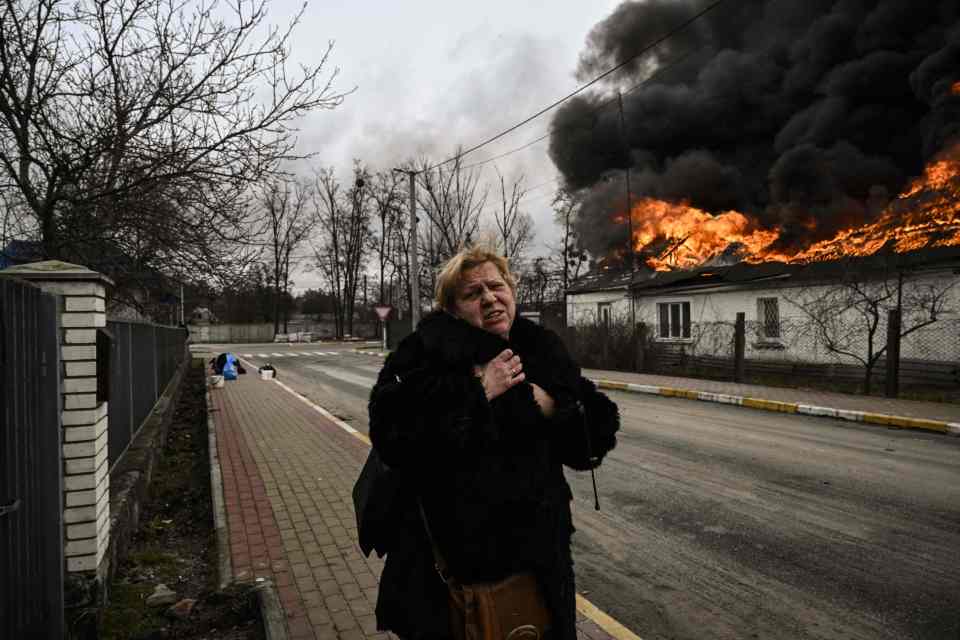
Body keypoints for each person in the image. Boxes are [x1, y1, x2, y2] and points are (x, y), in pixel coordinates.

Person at [368, 246, 620, 640]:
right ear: (453, 308)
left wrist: (555, 405)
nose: (489, 298)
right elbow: (391, 435)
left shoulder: (541, 349)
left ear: (511, 290)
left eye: (496, 286)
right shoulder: (423, 353)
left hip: (541, 567)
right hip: (453, 573)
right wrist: (478, 392)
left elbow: (599, 431)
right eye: (473, 293)